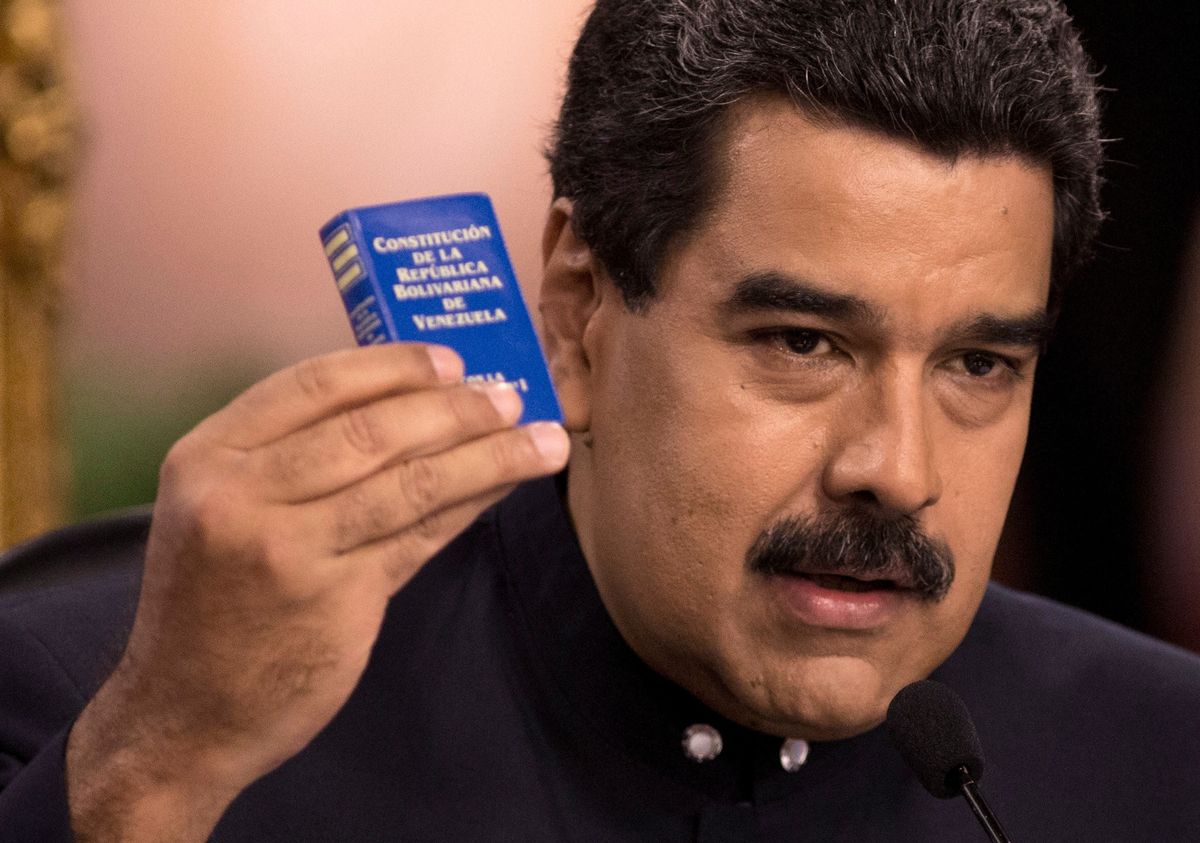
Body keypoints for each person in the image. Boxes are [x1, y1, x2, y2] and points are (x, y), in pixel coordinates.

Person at [3, 0, 1199, 840]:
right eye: (801, 344)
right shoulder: (95, 716)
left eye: (979, 365)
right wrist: (152, 775)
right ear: (578, 312)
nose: (895, 470)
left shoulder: (1160, 763)